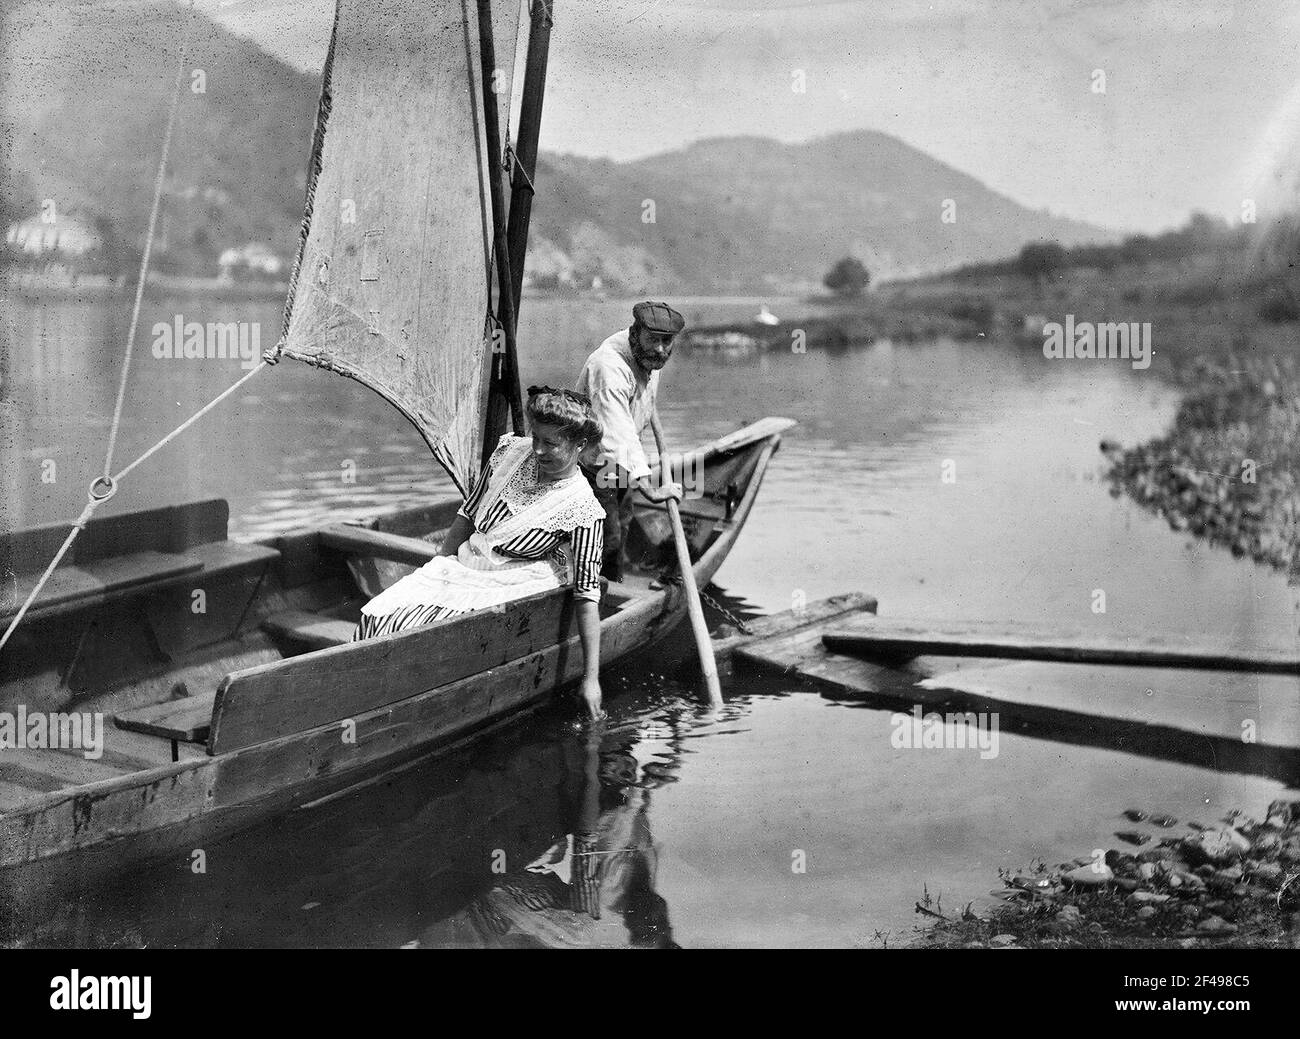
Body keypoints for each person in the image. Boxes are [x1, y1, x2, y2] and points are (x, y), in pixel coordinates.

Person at [354, 387, 609, 719]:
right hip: (466, 565)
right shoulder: (510, 452)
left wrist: (592, 679)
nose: (538, 449)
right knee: (376, 616)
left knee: (411, 633)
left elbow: (588, 596)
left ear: (579, 445)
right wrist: (437, 565)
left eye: (551, 443)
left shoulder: (583, 510)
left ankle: (387, 707)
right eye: (536, 437)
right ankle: (364, 698)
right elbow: (468, 512)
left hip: (511, 582)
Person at [575, 301, 686, 582]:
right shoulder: (609, 367)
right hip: (590, 465)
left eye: (667, 341)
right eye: (653, 340)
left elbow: (638, 403)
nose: (661, 349)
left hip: (618, 467)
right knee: (605, 539)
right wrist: (652, 490)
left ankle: (610, 589)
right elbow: (618, 434)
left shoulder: (650, 356)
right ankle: (594, 600)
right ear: (635, 334)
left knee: (622, 528)